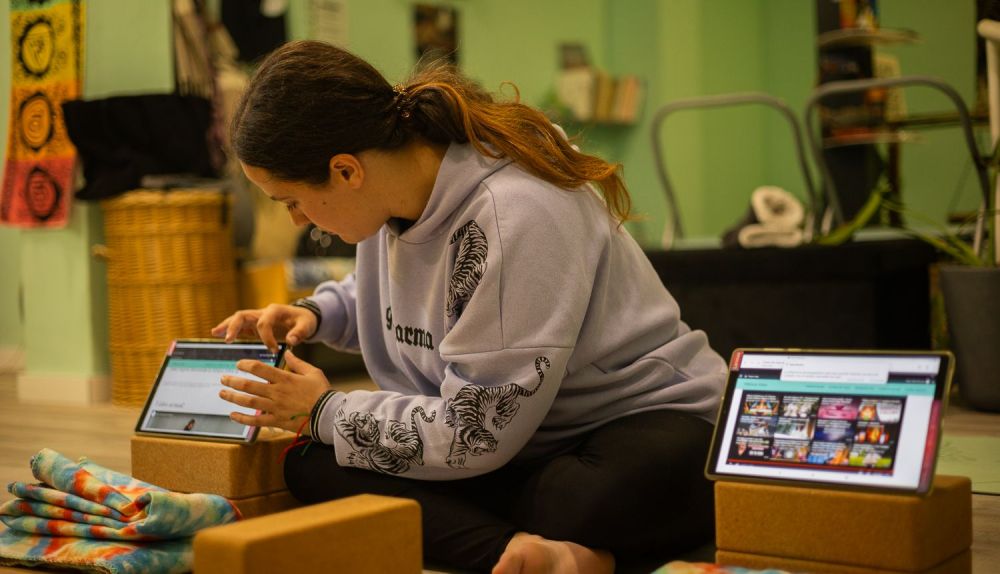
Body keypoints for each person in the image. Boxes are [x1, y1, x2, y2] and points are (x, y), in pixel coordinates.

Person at [212, 40, 726, 574]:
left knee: (572, 500)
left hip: (643, 422)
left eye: (290, 200)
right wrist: (318, 315)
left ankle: (549, 548)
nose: (297, 219)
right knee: (311, 461)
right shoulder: (384, 201)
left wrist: (324, 409)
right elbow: (409, 296)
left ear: (345, 171)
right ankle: (521, 553)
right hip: (524, 439)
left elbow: (476, 430)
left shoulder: (516, 214)